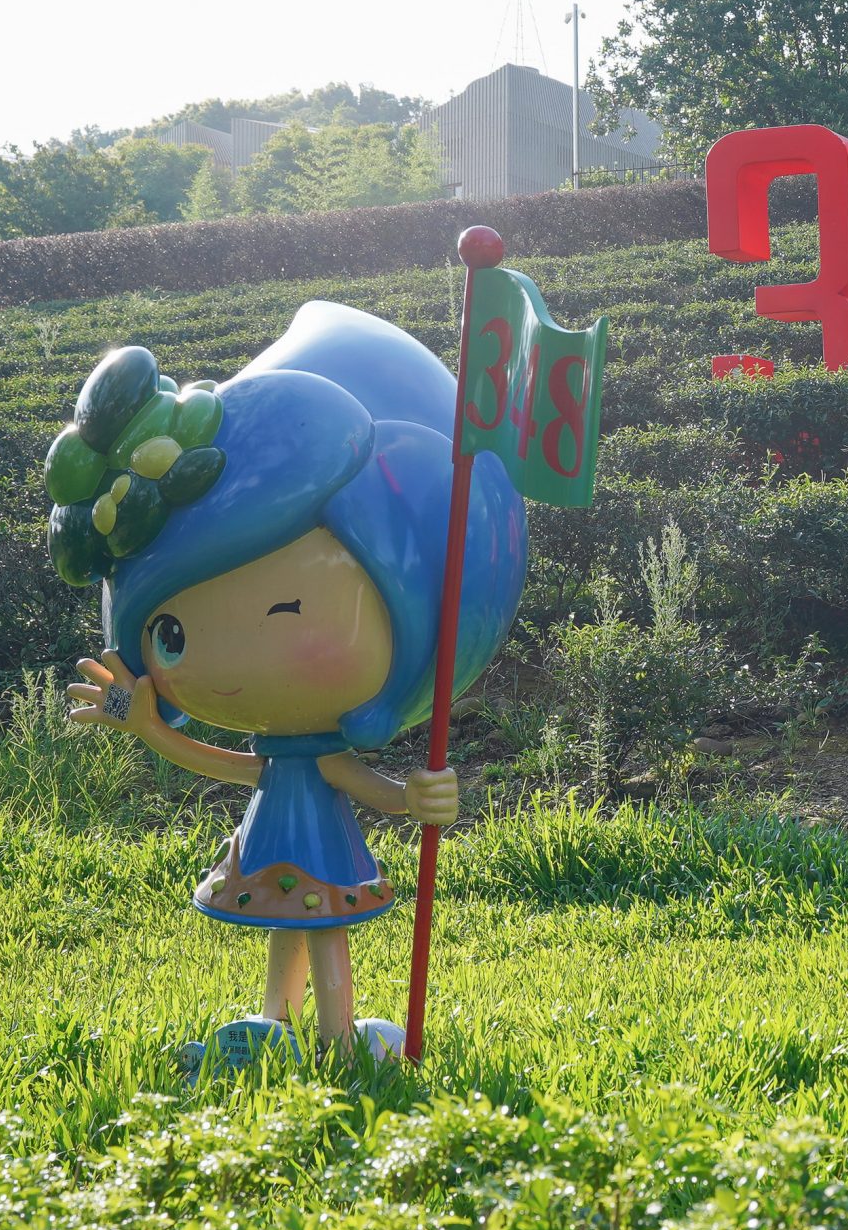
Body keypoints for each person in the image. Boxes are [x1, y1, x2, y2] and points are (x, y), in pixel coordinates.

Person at [47, 302, 527, 1070]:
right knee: (288, 926)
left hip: (317, 842)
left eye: (285, 610)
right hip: (274, 838)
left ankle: (338, 1032)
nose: (235, 658)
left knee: (321, 925)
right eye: (173, 634)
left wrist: (412, 797)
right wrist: (149, 725)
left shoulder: (327, 746)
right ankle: (273, 1022)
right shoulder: (274, 749)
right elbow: (239, 767)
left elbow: (354, 780)